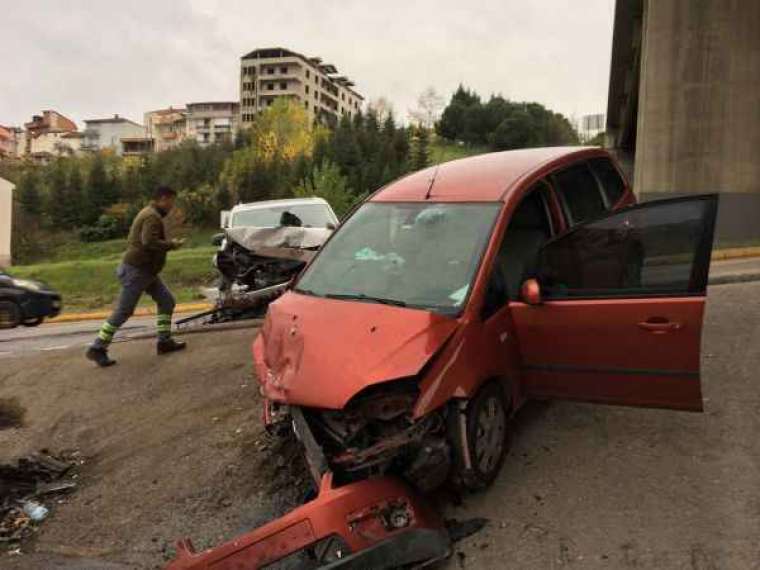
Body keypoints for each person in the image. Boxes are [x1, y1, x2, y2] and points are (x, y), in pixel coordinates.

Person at [86, 186, 187, 367]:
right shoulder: (152, 216)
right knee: (124, 311)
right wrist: (172, 244)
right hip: (137, 271)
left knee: (167, 301)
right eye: (171, 201)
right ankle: (97, 348)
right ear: (162, 199)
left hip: (146, 271)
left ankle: (164, 341)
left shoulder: (150, 213)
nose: (172, 206)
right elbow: (148, 241)